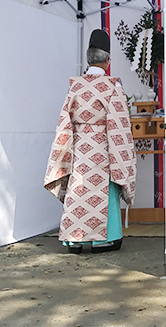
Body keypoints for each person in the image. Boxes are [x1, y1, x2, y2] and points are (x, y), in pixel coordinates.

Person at [44, 29, 136, 253]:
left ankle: (74, 240)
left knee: (78, 190)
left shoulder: (75, 86)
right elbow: (119, 126)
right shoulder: (112, 86)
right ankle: (103, 240)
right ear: (107, 60)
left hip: (79, 148)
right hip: (104, 148)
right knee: (105, 190)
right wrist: (122, 158)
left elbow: (64, 123)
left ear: (88, 58)